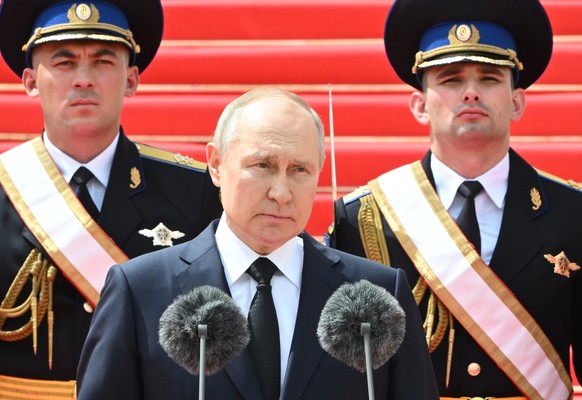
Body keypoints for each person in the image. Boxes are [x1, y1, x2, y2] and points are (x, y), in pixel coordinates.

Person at [76, 87, 439, 399]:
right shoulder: (141, 290)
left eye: (299, 170)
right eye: (263, 165)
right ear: (216, 164)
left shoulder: (378, 293)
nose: (281, 192)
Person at [327, 0, 582, 398]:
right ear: (419, 105)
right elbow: (343, 373)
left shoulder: (573, 213)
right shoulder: (364, 217)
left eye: (490, 78)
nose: (471, 93)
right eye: (450, 80)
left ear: (517, 101)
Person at [0, 0, 222, 396]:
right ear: (30, 80)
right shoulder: (8, 186)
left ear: (132, 79)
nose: (83, 79)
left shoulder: (195, 191)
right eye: (64, 62)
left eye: (103, 61)